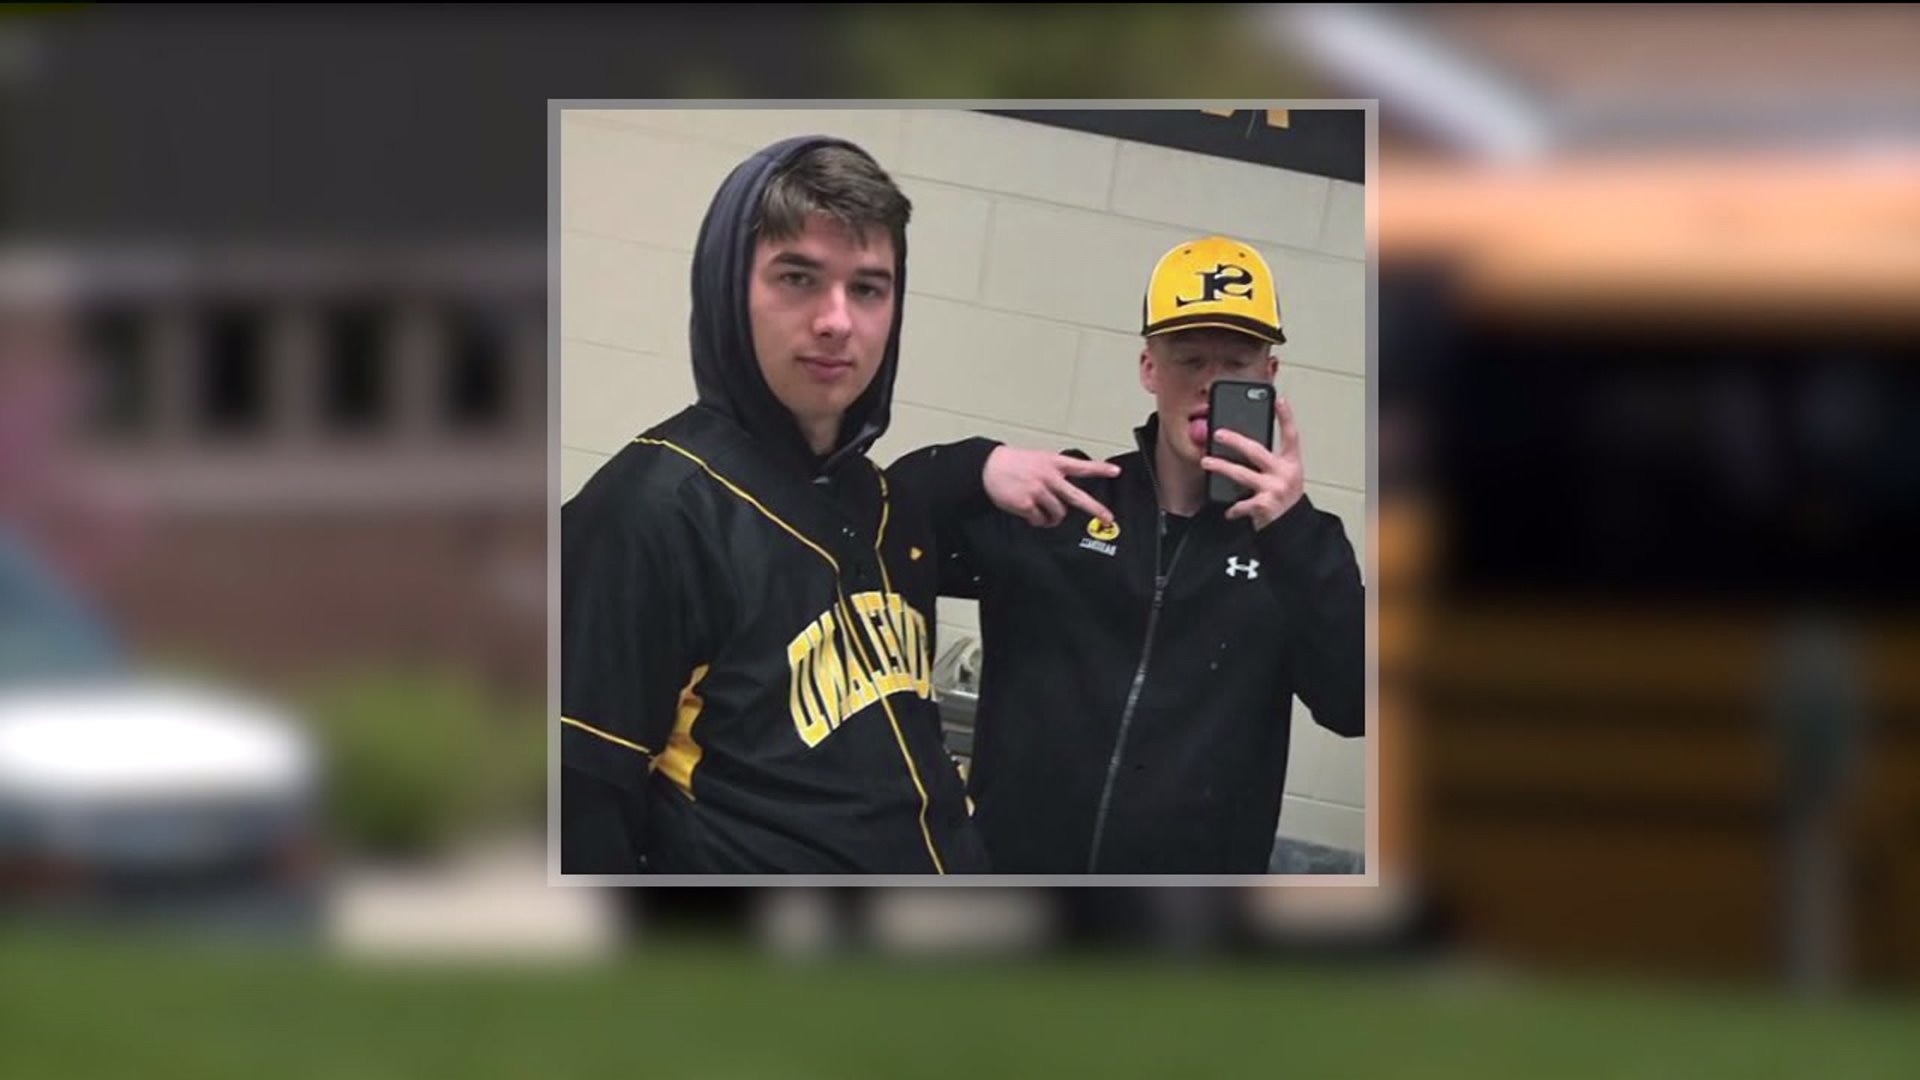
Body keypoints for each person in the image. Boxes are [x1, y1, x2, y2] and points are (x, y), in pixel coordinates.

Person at [559, 135, 1104, 874]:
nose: (837, 320)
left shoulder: (885, 507)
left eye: (869, 288)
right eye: (798, 277)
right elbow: (575, 810)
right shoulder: (651, 510)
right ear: (727, 289)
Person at [901, 234, 1367, 874]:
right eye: (1189, 360)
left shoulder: (1299, 549)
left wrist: (1293, 533)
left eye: (1235, 362)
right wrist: (975, 466)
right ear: (1150, 368)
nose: (1210, 384)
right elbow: (876, 529)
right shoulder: (1064, 503)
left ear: (1269, 375)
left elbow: (1355, 706)